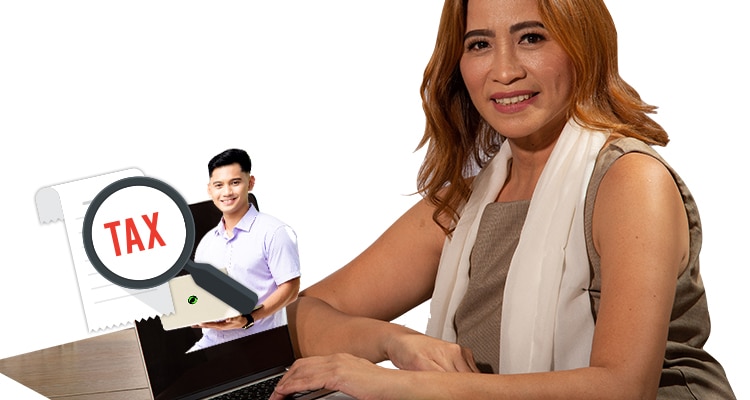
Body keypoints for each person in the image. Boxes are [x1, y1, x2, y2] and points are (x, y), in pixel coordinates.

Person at [270, 0, 736, 399]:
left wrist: (408, 387)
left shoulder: (631, 180)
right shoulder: (466, 203)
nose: (505, 70)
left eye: (532, 38)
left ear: (582, 46)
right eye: (479, 44)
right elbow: (301, 316)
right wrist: (395, 343)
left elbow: (622, 388)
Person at [187, 148, 301, 352]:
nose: (227, 192)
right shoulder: (207, 243)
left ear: (251, 183)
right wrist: (191, 310)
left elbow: (291, 289)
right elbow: (204, 294)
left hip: (259, 343)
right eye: (219, 185)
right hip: (213, 343)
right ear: (210, 190)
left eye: (235, 182)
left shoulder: (275, 232)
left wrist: (249, 318)